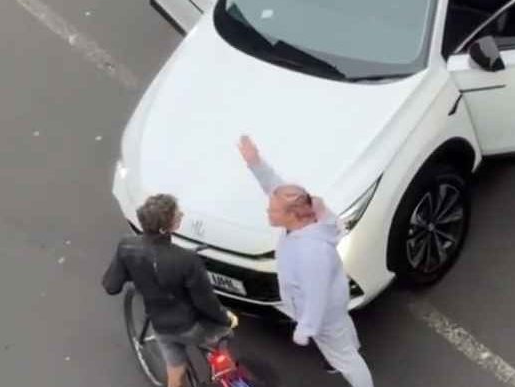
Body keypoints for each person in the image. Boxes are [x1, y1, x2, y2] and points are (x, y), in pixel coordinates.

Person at [237, 135, 374, 387]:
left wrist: (306, 328)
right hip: (333, 306)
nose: (268, 211)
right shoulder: (302, 218)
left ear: (292, 215)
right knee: (343, 339)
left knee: (347, 360)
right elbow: (274, 187)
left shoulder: (311, 251)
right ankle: (348, 348)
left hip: (324, 315)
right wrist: (255, 162)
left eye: (274, 210)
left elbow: (316, 294)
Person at [102, 193, 238, 387]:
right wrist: (226, 319)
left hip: (162, 327)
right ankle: (229, 376)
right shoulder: (187, 260)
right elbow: (206, 302)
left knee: (176, 370)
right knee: (224, 333)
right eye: (177, 214)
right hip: (192, 327)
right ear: (167, 227)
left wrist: (139, 273)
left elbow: (111, 286)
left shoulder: (127, 246)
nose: (181, 214)